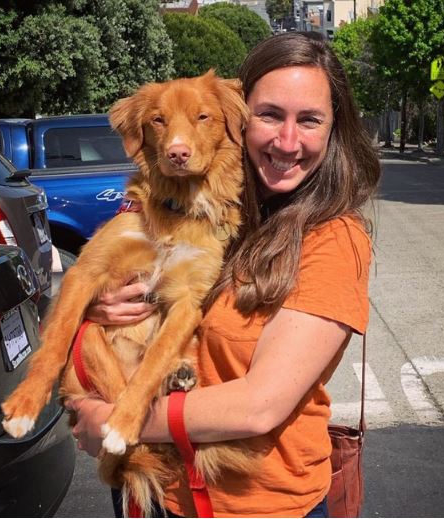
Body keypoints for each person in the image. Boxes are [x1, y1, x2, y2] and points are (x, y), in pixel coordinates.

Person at [67, 32, 381, 518]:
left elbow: (259, 405)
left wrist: (114, 417)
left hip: (255, 505)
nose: (287, 141)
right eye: (271, 115)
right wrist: (100, 302)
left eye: (310, 120)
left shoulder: (332, 239)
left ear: (334, 131)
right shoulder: (216, 213)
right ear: (237, 121)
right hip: (155, 489)